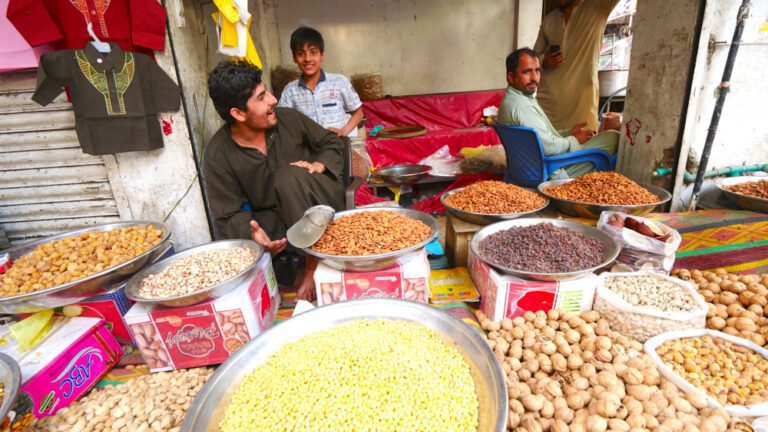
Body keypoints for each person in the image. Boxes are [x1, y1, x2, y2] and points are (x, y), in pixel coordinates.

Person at [204, 60, 345, 301]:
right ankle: (293, 269)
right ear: (238, 113)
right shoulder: (218, 155)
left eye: (266, 91)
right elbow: (228, 213)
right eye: (261, 97)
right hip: (279, 219)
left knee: (287, 176)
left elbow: (332, 143)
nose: (272, 100)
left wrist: (318, 165)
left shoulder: (289, 119)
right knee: (252, 230)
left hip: (321, 200)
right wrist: (254, 233)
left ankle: (312, 265)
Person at [498, 48, 618, 179]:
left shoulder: (516, 99)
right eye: (526, 72)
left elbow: (539, 138)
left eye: (537, 71)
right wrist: (574, 140)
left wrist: (569, 133)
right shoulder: (521, 106)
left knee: (607, 138)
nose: (534, 78)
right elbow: (548, 148)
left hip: (530, 170)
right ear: (510, 77)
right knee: (613, 138)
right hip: (550, 171)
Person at [533, 0, 620, 131]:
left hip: (582, 103)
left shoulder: (598, 8)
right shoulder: (549, 20)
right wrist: (545, 61)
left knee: (582, 147)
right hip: (548, 103)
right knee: (548, 148)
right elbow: (533, 57)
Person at [278, 26, 364, 137]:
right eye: (300, 53)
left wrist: (343, 131)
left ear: (321, 55)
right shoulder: (290, 90)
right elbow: (282, 121)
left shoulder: (339, 82)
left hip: (337, 146)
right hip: (307, 150)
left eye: (313, 52)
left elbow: (359, 113)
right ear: (294, 57)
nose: (307, 59)